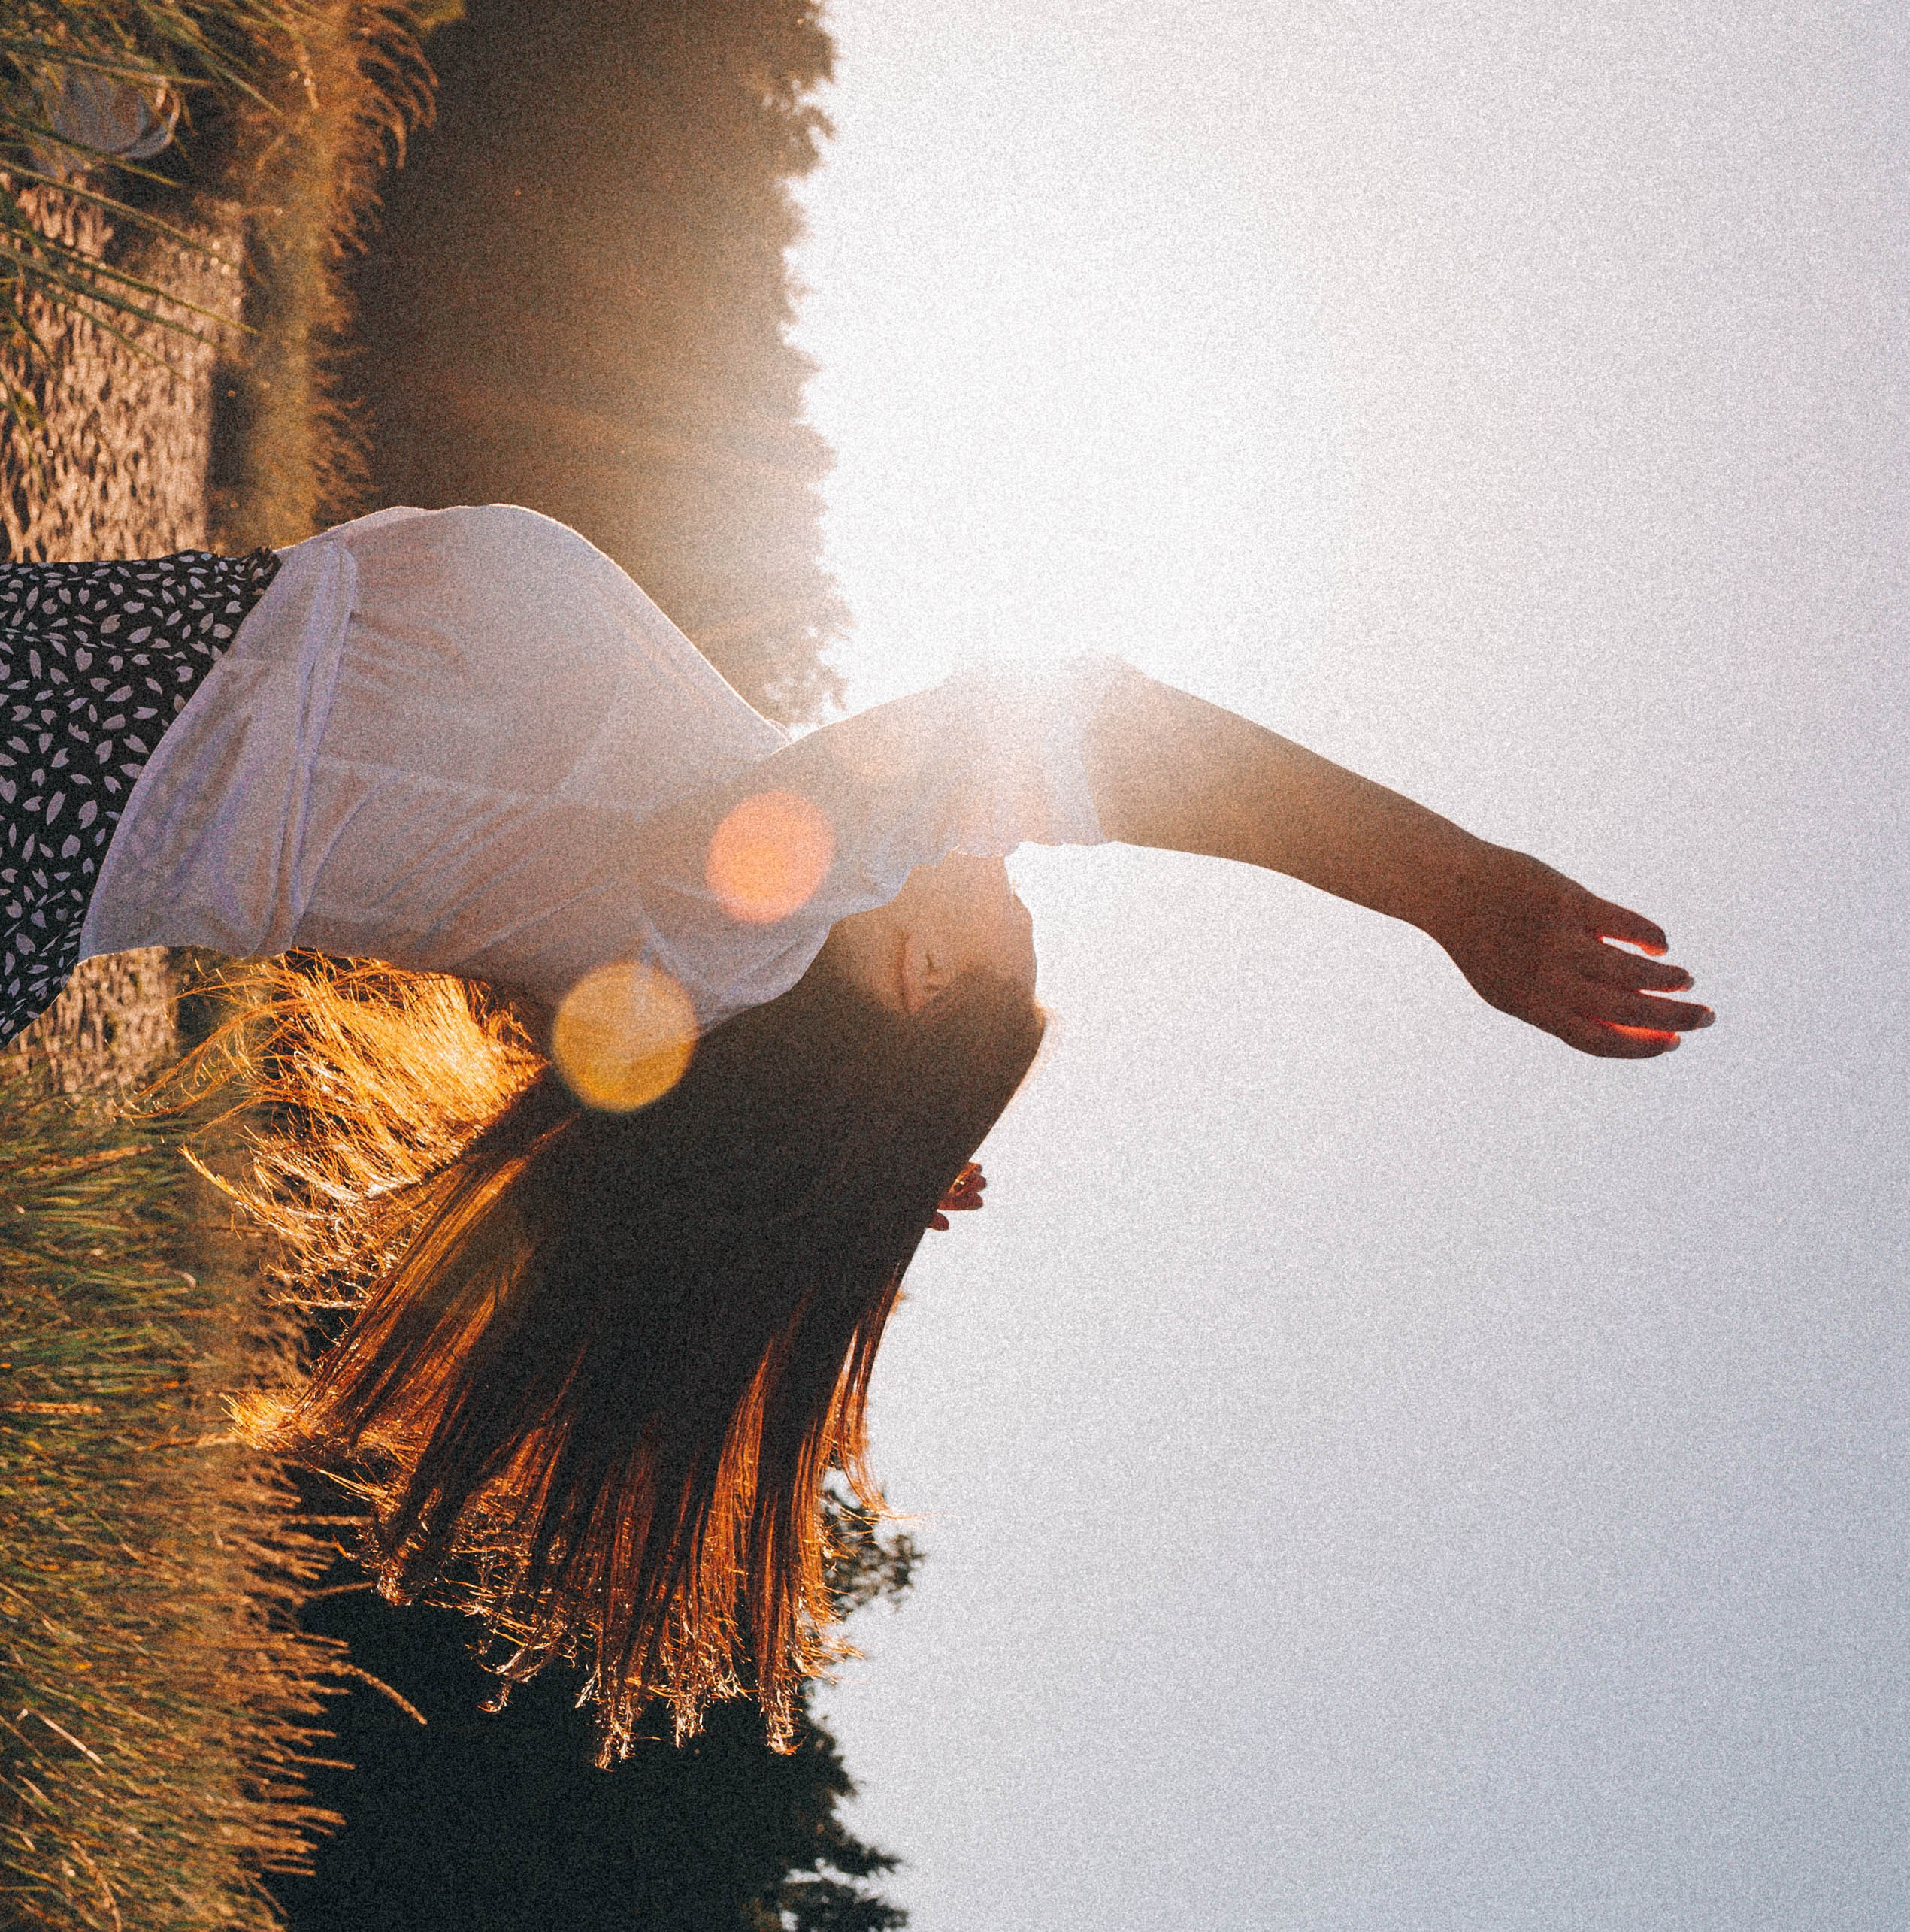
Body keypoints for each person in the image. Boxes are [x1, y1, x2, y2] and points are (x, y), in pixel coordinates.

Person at [0, 505, 1710, 1752]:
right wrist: (851, 1142)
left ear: (902, 964)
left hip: (46, 765)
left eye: (991, 912)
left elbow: (1077, 724)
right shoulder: (681, 943)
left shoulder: (744, 905)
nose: (1002, 859)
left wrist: (1447, 887)